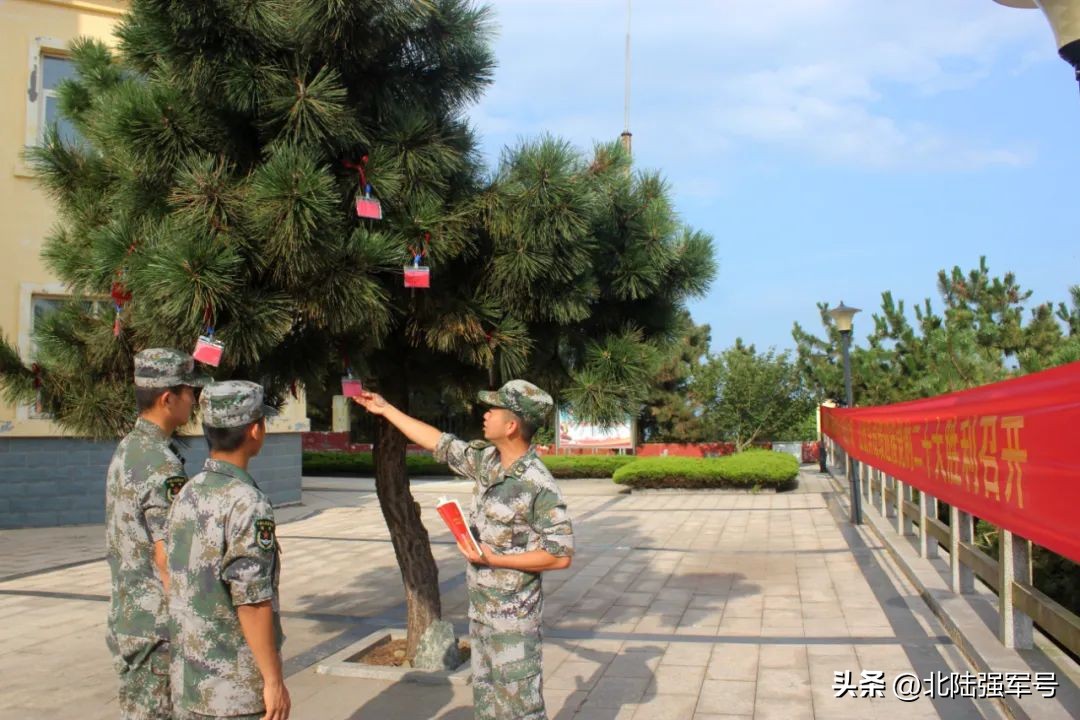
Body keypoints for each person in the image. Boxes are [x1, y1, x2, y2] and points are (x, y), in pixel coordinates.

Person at [353, 379, 574, 720]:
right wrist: (387, 410)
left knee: (520, 710)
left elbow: (560, 555)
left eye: (494, 409)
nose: (486, 414)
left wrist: (494, 559)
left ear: (512, 425)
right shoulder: (487, 461)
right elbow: (439, 442)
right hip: (482, 616)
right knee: (487, 708)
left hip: (513, 625)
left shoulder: (538, 484)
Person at [167, 381, 290, 720]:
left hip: (190, 684)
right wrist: (273, 680)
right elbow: (251, 601)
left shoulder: (187, 494)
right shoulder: (248, 503)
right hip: (233, 693)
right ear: (255, 430)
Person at [105, 348, 209, 720]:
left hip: (132, 622)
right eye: (189, 392)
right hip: (158, 633)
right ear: (168, 398)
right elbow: (169, 558)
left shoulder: (129, 449)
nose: (194, 400)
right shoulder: (161, 464)